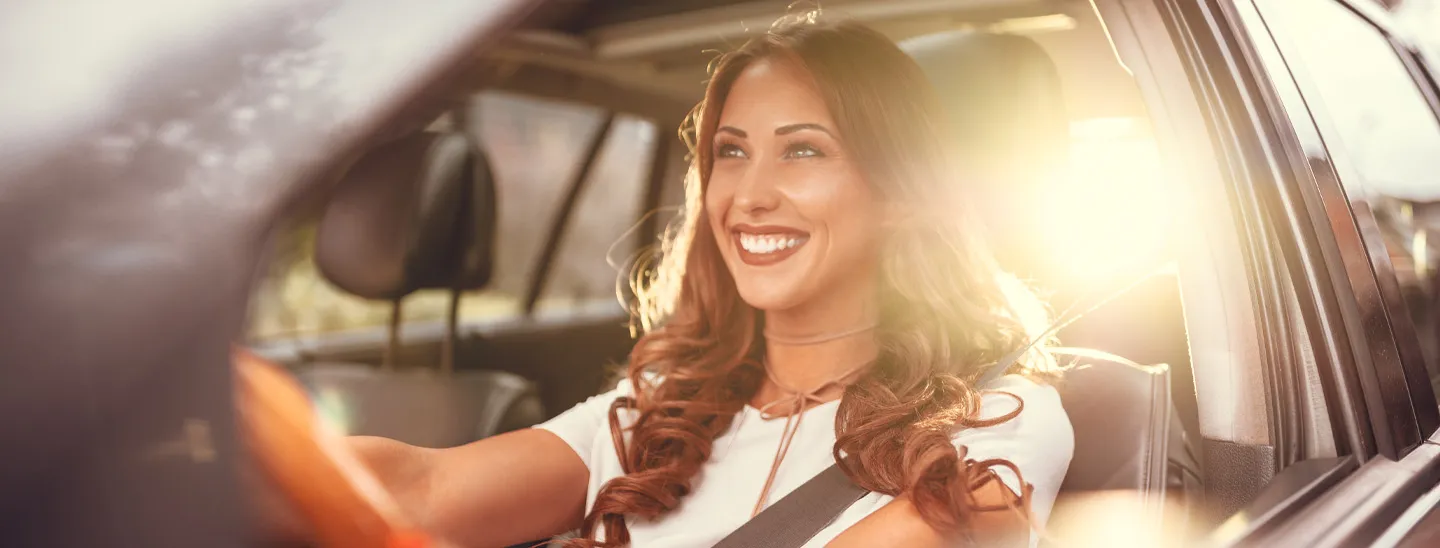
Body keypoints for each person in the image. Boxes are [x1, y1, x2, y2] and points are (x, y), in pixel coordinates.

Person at [266, 13, 1073, 548]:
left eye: (803, 150)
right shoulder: (661, 408)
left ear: (898, 194)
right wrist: (199, 430)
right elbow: (423, 487)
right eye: (730, 151)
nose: (748, 194)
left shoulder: (998, 421)